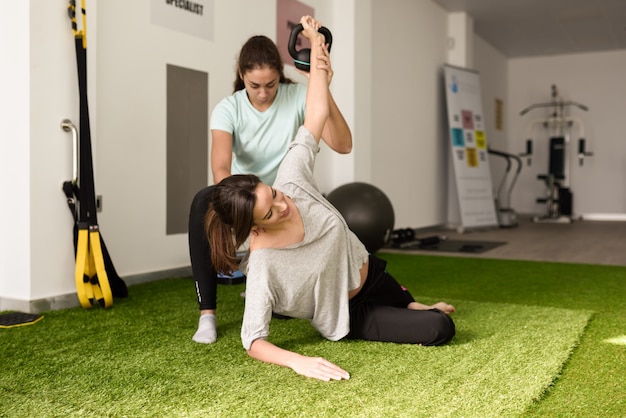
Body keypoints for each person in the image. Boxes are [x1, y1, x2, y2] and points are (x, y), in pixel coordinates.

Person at [205, 16, 456, 382]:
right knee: (440, 328)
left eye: (272, 194)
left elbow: (317, 112)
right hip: (349, 310)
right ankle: (414, 312)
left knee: (404, 297)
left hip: (369, 271)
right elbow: (253, 341)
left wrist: (317, 49)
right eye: (271, 212)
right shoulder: (264, 265)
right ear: (256, 228)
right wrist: (298, 361)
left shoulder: (291, 179)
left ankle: (408, 302)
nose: (284, 204)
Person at [188, 20, 352, 344]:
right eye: (254, 86)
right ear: (241, 75)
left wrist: (320, 85)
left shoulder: (296, 95)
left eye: (271, 85)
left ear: (281, 75)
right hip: (248, 199)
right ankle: (208, 313)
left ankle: (278, 296)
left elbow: (343, 144)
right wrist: (245, 207)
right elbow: (220, 168)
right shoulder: (228, 109)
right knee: (200, 203)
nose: (263, 94)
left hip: (286, 196)